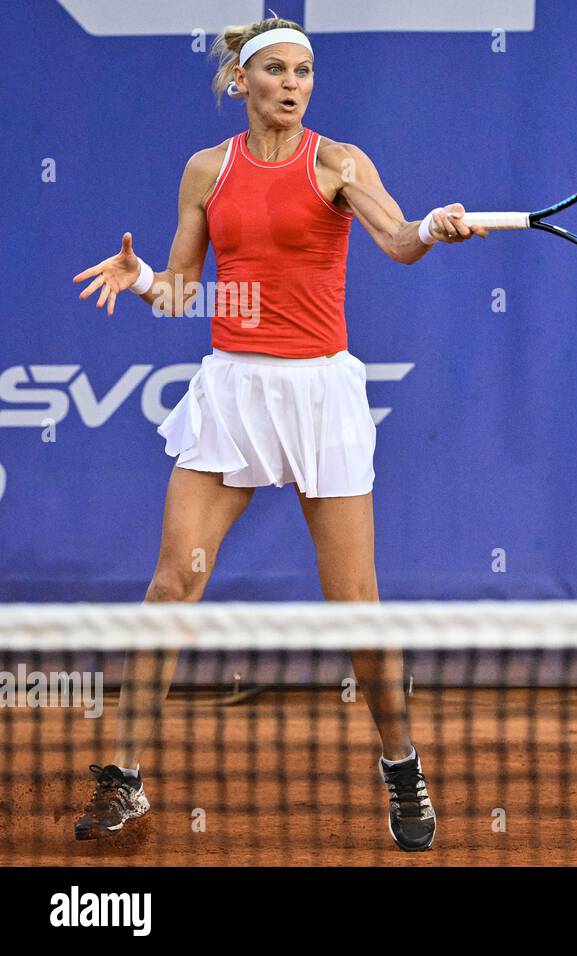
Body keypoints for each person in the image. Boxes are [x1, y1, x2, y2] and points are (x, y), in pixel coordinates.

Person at [69, 15, 485, 851]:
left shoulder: (338, 162)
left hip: (320, 395)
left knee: (356, 609)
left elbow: (397, 240)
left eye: (304, 72)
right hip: (233, 390)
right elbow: (184, 291)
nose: (293, 85)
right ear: (242, 81)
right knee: (172, 587)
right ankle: (125, 776)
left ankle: (401, 764)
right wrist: (143, 277)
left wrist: (432, 229)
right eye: (277, 71)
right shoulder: (206, 169)